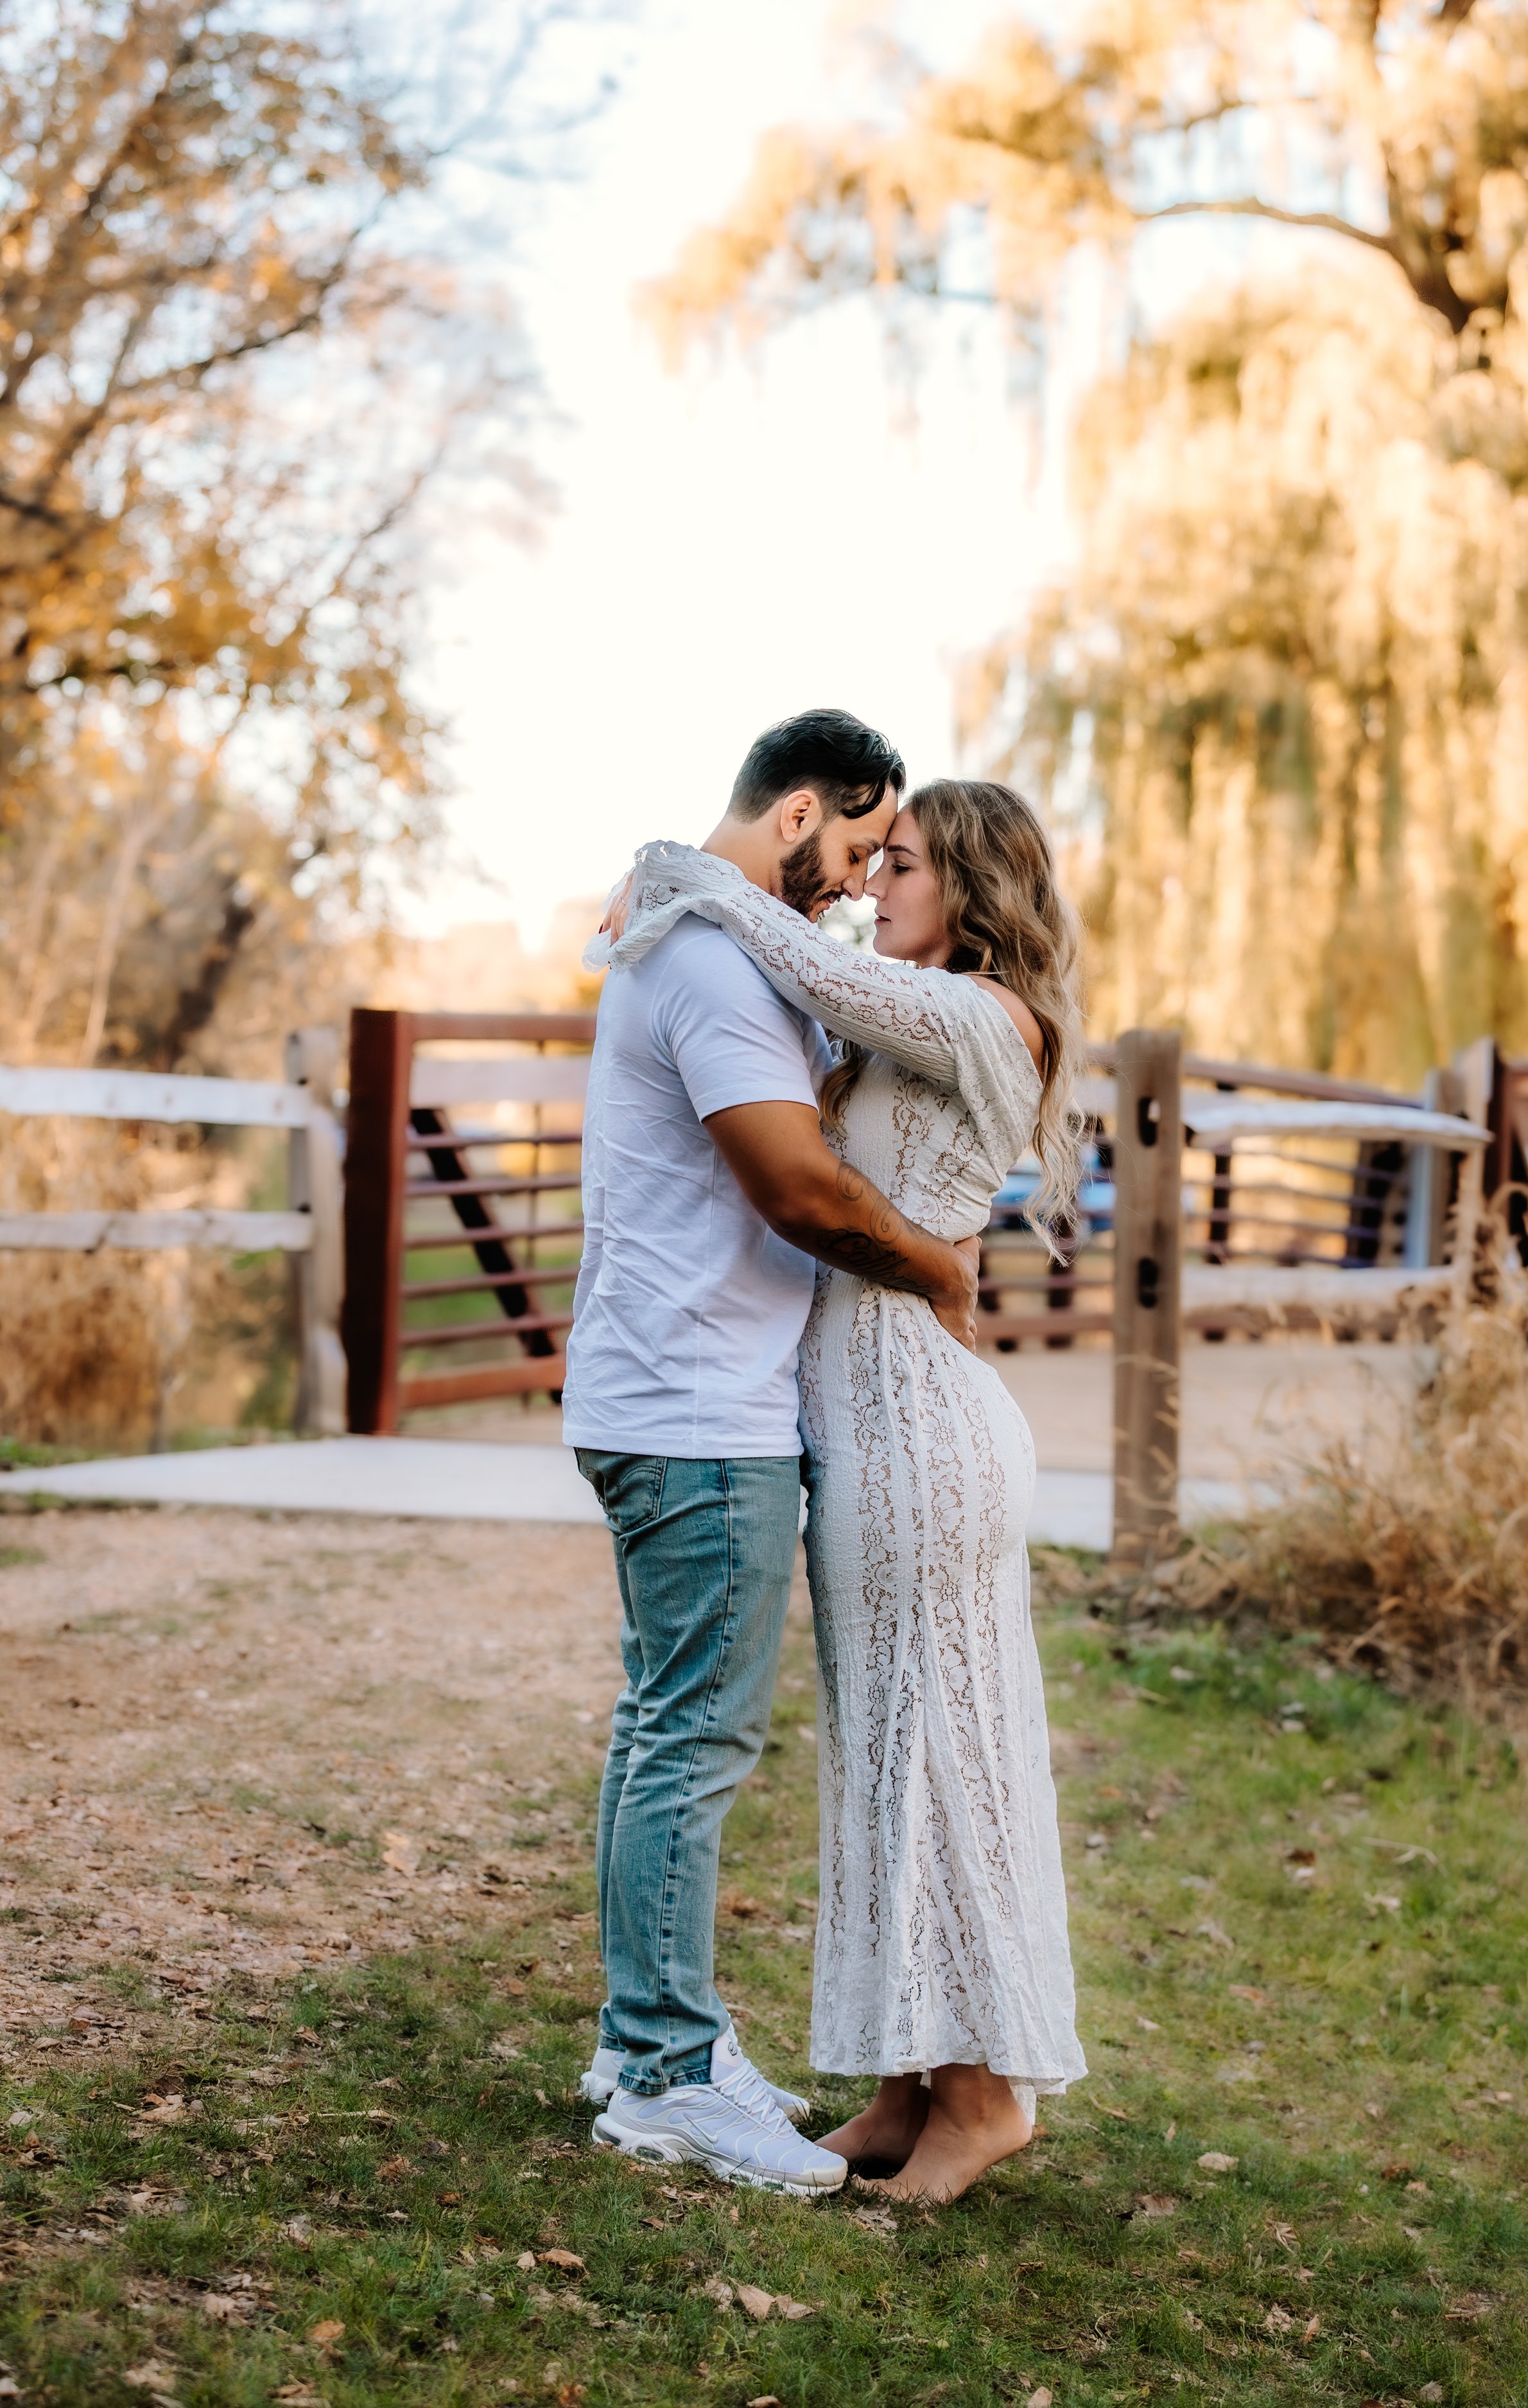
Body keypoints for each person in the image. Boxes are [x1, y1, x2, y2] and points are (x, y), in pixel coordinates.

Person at [605, 780, 1086, 2203]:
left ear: (980, 885)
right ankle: (905, 2081)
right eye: (877, 860)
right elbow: (805, 989)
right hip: (863, 1429)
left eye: (910, 864)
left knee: (944, 1753)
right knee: (884, 1758)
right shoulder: (905, 1003)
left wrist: (666, 869)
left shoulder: (991, 1016)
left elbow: (798, 956)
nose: (879, 885)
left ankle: (986, 2095)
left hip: (924, 1434)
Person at [561, 710, 981, 2197]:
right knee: (692, 1739)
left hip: (666, 1398)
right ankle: (667, 2075)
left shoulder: (694, 934)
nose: (864, 884)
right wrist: (935, 1265)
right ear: (799, 812)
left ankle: (641, 2039)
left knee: (660, 1723)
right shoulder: (709, 961)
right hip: (696, 1416)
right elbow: (798, 1189)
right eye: (860, 847)